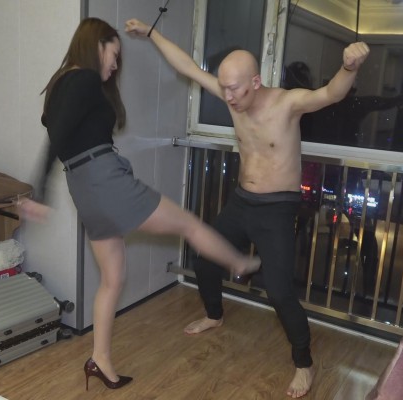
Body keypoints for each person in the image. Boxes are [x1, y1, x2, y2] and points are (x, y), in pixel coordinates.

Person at [125, 18, 369, 398]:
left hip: (277, 208)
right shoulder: (233, 97)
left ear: (255, 82)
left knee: (279, 291)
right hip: (241, 202)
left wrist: (349, 68)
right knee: (205, 259)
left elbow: (330, 94)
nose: (228, 97)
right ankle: (214, 315)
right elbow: (188, 67)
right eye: (223, 88)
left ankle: (303, 363)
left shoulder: (287, 103)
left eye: (234, 89)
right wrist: (152, 33)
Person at [19, 17, 260, 391]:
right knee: (188, 224)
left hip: (84, 187)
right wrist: (39, 191)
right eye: (114, 54)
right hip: (105, 180)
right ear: (97, 45)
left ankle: (100, 360)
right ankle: (239, 263)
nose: (116, 64)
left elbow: (55, 127)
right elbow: (59, 134)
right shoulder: (83, 78)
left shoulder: (62, 82)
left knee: (112, 279)